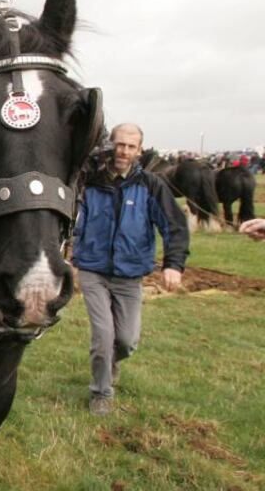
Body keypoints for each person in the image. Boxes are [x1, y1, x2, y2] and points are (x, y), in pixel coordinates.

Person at [72, 123, 189, 416]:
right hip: (93, 270)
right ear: (110, 145)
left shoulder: (151, 185)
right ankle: (101, 393)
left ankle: (111, 364)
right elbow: (71, 220)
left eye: (130, 146)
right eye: (119, 144)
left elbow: (174, 226)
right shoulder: (89, 182)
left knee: (125, 341)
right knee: (103, 337)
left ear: (139, 150)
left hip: (130, 274)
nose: (123, 151)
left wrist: (174, 265)